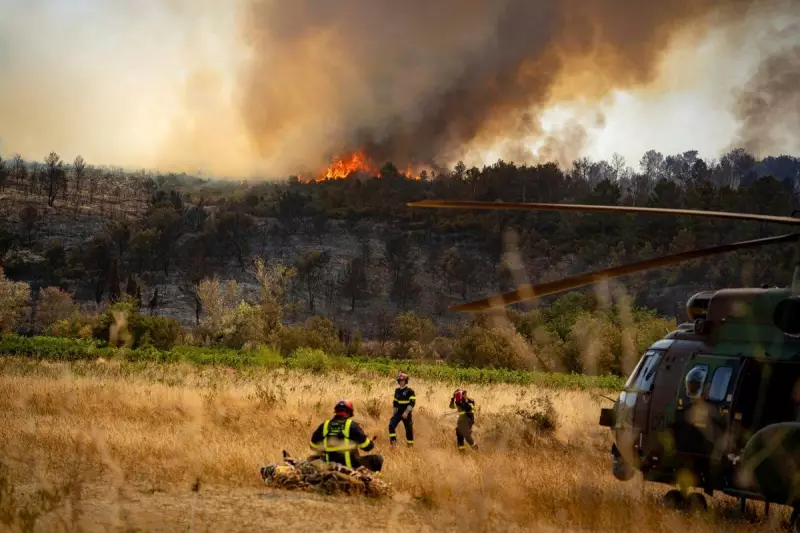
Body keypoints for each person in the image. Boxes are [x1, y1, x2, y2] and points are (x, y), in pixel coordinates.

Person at [309, 399, 383, 472]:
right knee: (377, 459)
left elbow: (313, 446)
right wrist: (370, 442)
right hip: (350, 466)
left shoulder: (325, 425)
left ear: (336, 411)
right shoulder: (352, 425)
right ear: (349, 412)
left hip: (329, 466)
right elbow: (367, 447)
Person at [388, 372, 415, 447]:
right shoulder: (397, 391)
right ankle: (393, 443)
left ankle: (410, 446)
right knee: (391, 425)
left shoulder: (410, 391)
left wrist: (406, 412)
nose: (401, 382)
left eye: (402, 380)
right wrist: (394, 414)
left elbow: (412, 403)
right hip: (398, 412)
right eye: (400, 381)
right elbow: (395, 403)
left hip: (406, 413)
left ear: (406, 381)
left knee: (409, 430)